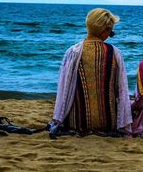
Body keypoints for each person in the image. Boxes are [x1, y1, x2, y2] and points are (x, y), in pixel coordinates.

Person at [50, 8, 132, 137]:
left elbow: (64, 88)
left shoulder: (73, 52)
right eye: (111, 31)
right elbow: (121, 89)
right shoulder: (115, 53)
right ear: (104, 31)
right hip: (108, 123)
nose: (111, 34)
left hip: (77, 123)